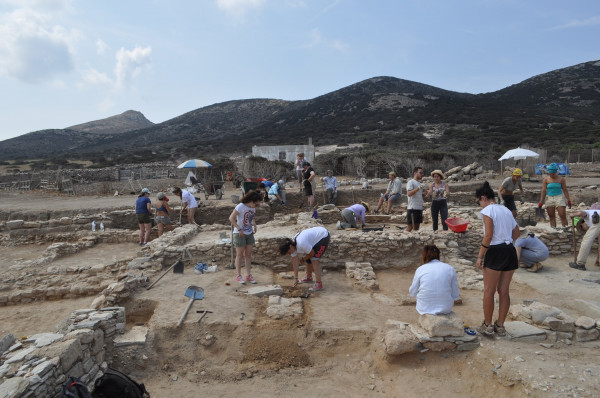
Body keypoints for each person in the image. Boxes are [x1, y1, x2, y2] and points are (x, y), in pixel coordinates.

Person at [475, 181, 520, 337]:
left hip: (495, 250)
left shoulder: (488, 210)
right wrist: (507, 242)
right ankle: (500, 326)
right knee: (504, 291)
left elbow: (488, 235)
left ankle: (487, 325)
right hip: (509, 250)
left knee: (489, 291)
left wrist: (480, 256)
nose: (480, 205)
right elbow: (516, 233)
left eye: (479, 202)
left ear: (483, 198)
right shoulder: (506, 209)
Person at [409, 244, 460, 315]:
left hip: (424, 308)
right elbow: (455, 294)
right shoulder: (450, 268)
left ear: (424, 255)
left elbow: (413, 292)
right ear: (438, 255)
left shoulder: (420, 269)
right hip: (446, 308)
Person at [279, 226, 330, 292]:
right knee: (308, 257)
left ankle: (319, 284)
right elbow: (295, 262)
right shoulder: (292, 246)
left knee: (314, 259)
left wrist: (303, 259)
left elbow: (312, 253)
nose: (289, 254)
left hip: (323, 236)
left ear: (290, 247)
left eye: (288, 252)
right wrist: (296, 278)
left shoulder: (301, 243)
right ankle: (309, 277)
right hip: (314, 239)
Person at [229, 190, 263, 284]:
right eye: (256, 204)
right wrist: (239, 229)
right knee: (239, 255)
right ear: (252, 200)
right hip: (239, 233)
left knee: (248, 255)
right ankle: (239, 275)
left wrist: (254, 225)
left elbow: (252, 218)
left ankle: (248, 275)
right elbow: (231, 218)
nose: (257, 206)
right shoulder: (240, 206)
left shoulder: (253, 208)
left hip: (249, 233)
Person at [539, 163, 572, 229]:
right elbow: (543, 191)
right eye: (550, 174)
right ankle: (554, 230)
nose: (551, 175)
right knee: (551, 216)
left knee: (562, 215)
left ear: (556, 172)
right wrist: (541, 202)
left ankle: (566, 230)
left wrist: (568, 200)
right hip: (549, 198)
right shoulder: (546, 179)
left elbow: (565, 189)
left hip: (559, 197)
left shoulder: (561, 179)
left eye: (553, 174)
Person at [569, 203, 600, 271]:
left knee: (586, 242)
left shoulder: (589, 212)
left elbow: (580, 213)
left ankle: (580, 264)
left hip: (598, 222)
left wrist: (572, 215)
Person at [406, 167, 424, 232]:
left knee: (417, 226)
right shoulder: (411, 182)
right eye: (421, 172)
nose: (422, 174)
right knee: (410, 226)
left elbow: (420, 196)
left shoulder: (419, 183)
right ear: (415, 173)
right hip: (412, 208)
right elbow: (409, 193)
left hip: (419, 207)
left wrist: (426, 193)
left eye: (423, 173)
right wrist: (418, 188)